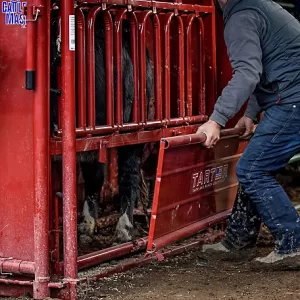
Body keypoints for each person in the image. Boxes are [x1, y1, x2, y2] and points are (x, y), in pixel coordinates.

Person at [197, 0, 300, 270]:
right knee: (254, 162)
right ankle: (239, 240)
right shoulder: (260, 6)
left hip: (293, 101)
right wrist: (250, 114)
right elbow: (264, 67)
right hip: (290, 97)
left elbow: (248, 74)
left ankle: (293, 243)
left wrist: (216, 120)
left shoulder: (242, 17)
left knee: (252, 168)